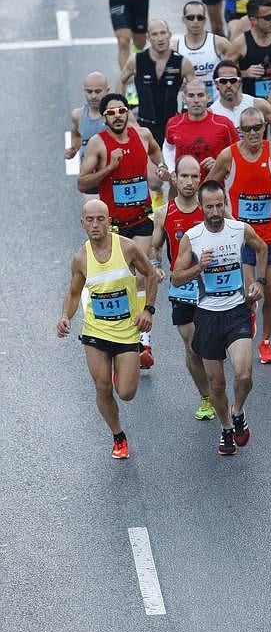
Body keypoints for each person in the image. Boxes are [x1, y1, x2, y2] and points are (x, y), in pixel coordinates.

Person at [57, 199, 157, 459]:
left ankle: (121, 372)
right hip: (96, 331)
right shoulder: (81, 258)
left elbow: (151, 274)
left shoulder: (128, 248)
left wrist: (148, 309)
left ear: (109, 221)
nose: (95, 224)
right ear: (82, 224)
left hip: (126, 331)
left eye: (100, 219)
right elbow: (74, 293)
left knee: (126, 393)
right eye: (89, 220)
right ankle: (118, 436)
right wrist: (65, 316)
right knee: (102, 387)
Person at [172, 179, 267, 456]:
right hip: (207, 314)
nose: (215, 211)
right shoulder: (192, 237)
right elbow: (177, 278)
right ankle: (226, 428)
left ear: (225, 203)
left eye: (219, 205)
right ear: (200, 207)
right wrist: (198, 267)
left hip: (237, 310)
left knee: (244, 374)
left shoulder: (239, 229)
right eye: (209, 206)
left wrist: (259, 281)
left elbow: (261, 248)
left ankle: (238, 411)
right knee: (216, 383)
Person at [78, 94, 170, 368]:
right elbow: (83, 182)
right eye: (111, 112)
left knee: (142, 275)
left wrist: (161, 166)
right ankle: (119, 335)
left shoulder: (142, 135)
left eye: (121, 110)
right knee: (124, 280)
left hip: (141, 218)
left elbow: (155, 150)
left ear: (127, 112)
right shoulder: (98, 143)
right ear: (104, 117)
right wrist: (110, 167)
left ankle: (144, 341)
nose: (117, 115)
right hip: (113, 225)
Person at [207, 107, 271, 363]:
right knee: (248, 290)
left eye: (258, 128)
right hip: (241, 234)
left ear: (264, 127)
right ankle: (243, 327)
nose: (254, 133)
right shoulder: (228, 155)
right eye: (248, 129)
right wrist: (225, 215)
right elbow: (209, 189)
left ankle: (266, 340)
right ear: (240, 131)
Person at [150, 155, 215, 421]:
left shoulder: (210, 208)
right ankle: (207, 396)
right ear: (175, 178)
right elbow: (155, 245)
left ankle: (217, 388)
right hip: (183, 287)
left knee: (211, 343)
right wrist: (155, 265)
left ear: (201, 180)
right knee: (193, 345)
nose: (189, 182)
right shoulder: (165, 213)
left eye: (195, 177)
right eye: (184, 176)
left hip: (213, 285)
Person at [116, 18, 195, 147]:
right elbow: (120, 81)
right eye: (155, 34)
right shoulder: (136, 60)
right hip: (143, 126)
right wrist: (125, 112)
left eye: (163, 33)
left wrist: (187, 117)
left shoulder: (182, 63)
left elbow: (196, 90)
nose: (160, 38)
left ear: (169, 34)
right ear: (148, 37)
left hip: (172, 126)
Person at [163, 79, 238, 180]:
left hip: (215, 188)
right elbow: (168, 147)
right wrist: (172, 170)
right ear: (184, 99)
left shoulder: (224, 124)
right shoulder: (173, 123)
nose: (196, 100)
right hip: (184, 188)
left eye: (200, 95)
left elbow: (238, 153)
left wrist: (219, 165)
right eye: (191, 96)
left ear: (208, 98)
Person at [227, 0, 271, 100]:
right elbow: (223, 72)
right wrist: (244, 73)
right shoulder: (241, 43)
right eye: (268, 17)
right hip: (253, 102)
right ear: (253, 20)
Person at [171, 0, 231, 103]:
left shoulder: (219, 43)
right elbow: (167, 80)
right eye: (190, 17)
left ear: (205, 20)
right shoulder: (175, 48)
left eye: (200, 17)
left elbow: (237, 71)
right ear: (183, 20)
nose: (195, 21)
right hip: (190, 107)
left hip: (216, 106)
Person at [209, 59, 271, 132]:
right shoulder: (211, 113)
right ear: (216, 84)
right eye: (223, 81)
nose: (228, 85)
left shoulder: (256, 104)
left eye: (233, 80)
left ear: (239, 82)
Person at [64, 72, 109, 183]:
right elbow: (76, 134)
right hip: (89, 175)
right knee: (91, 201)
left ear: (107, 91)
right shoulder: (77, 115)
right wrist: (73, 149)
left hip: (112, 173)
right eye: (89, 91)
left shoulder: (115, 115)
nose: (93, 96)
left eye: (98, 91)